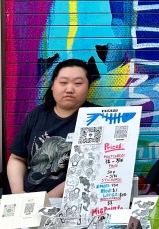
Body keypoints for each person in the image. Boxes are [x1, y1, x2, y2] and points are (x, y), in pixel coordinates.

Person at [7, 58, 96, 197]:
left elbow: (95, 169)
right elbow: (17, 158)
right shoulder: (37, 114)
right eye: (63, 83)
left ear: (88, 86)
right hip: (28, 197)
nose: (70, 89)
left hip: (71, 200)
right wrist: (19, 194)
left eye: (78, 83)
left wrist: (49, 199)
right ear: (53, 85)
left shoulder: (98, 118)